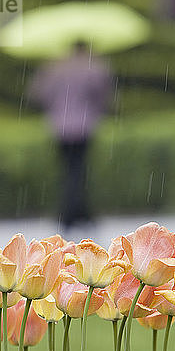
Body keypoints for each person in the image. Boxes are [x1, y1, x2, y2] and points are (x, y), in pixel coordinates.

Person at [29, 41, 112, 229]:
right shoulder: (93, 66)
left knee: (68, 170)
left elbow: (37, 93)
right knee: (79, 170)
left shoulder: (53, 67)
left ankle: (74, 213)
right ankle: (75, 213)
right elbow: (104, 93)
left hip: (59, 127)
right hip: (84, 126)